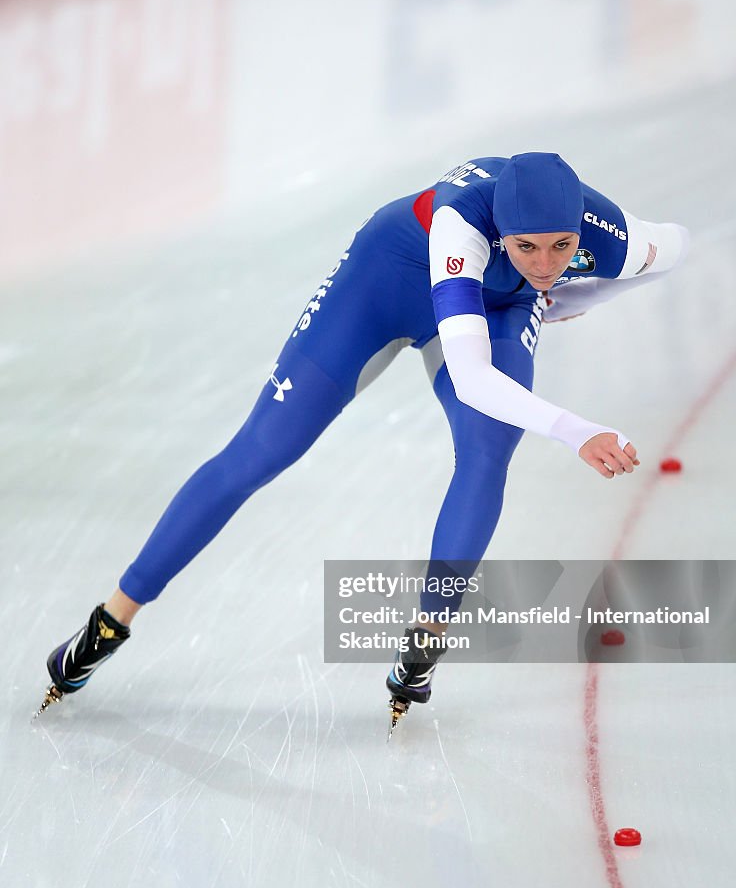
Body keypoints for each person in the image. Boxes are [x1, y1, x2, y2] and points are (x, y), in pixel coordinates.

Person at [36, 153, 689, 723]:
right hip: (386, 283)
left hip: (493, 306)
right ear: (502, 233)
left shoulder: (610, 235)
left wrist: (565, 299)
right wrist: (577, 429)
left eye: (560, 246)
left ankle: (425, 639)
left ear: (582, 226)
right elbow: (471, 378)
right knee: (261, 453)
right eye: (527, 249)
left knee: (488, 456)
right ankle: (111, 619)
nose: (547, 263)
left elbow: (675, 248)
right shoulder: (463, 224)